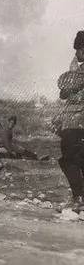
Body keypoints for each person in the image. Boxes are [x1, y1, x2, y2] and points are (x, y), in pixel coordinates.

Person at [51, 30, 84, 211]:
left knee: (68, 160)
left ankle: (79, 198)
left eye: (78, 51)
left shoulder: (79, 71)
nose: (76, 55)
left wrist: (71, 70)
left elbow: (64, 85)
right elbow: (64, 93)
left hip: (76, 122)